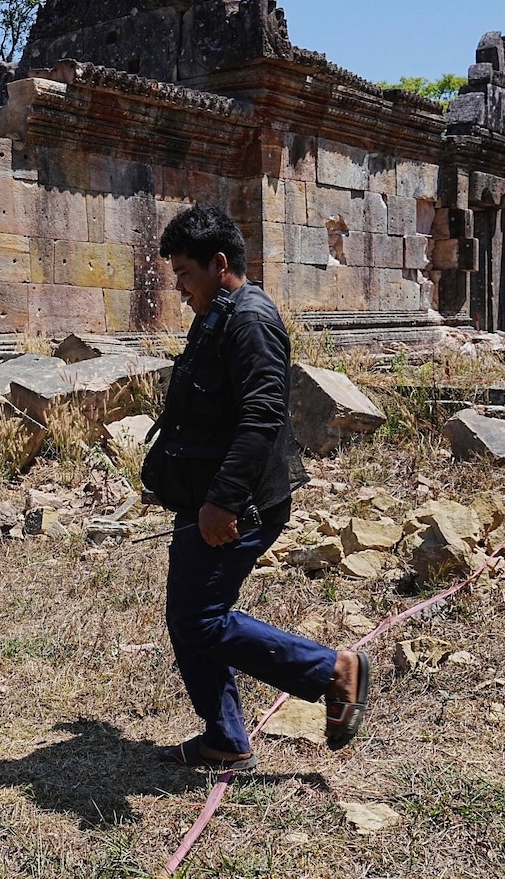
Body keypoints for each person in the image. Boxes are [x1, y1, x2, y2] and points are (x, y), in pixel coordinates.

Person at [152, 205, 371, 771]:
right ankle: (225, 739)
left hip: (238, 503)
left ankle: (331, 671)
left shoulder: (251, 320)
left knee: (201, 617)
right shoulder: (217, 311)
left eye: (185, 273)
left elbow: (263, 415)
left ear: (219, 264)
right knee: (190, 615)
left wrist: (222, 501)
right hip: (207, 498)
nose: (180, 288)